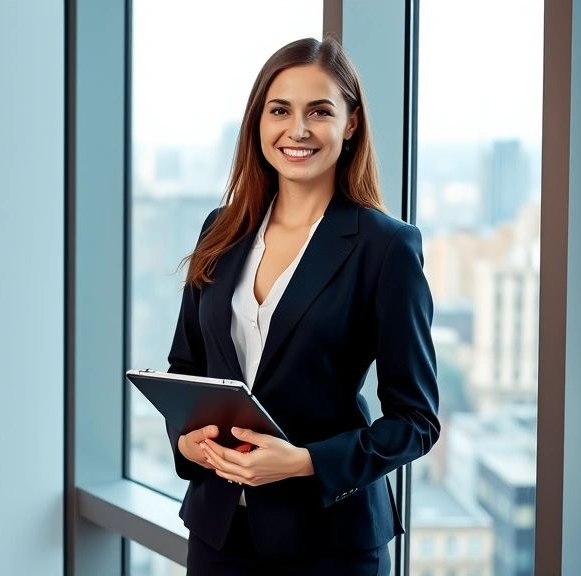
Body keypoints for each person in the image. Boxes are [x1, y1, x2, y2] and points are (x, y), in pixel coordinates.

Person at [165, 36, 440, 575]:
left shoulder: (385, 248)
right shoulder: (221, 230)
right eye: (279, 110)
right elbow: (187, 368)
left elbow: (415, 421)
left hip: (329, 544)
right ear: (258, 123)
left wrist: (304, 463)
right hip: (218, 535)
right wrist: (187, 442)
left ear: (351, 123)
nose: (297, 130)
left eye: (319, 111)